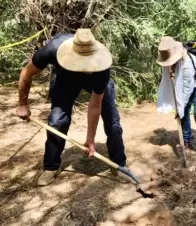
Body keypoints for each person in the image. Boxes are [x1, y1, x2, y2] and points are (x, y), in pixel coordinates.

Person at [16, 28, 127, 185]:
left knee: (112, 121)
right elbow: (26, 73)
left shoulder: (102, 66)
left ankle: (119, 165)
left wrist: (90, 139)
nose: (84, 68)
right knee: (57, 120)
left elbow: (95, 106)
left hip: (95, 80)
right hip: (65, 79)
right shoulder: (53, 49)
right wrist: (22, 104)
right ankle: (51, 167)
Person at [156, 36, 196, 164]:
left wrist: (180, 107)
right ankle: (186, 142)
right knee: (183, 111)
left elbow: (187, 91)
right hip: (191, 81)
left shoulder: (187, 64)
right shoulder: (175, 61)